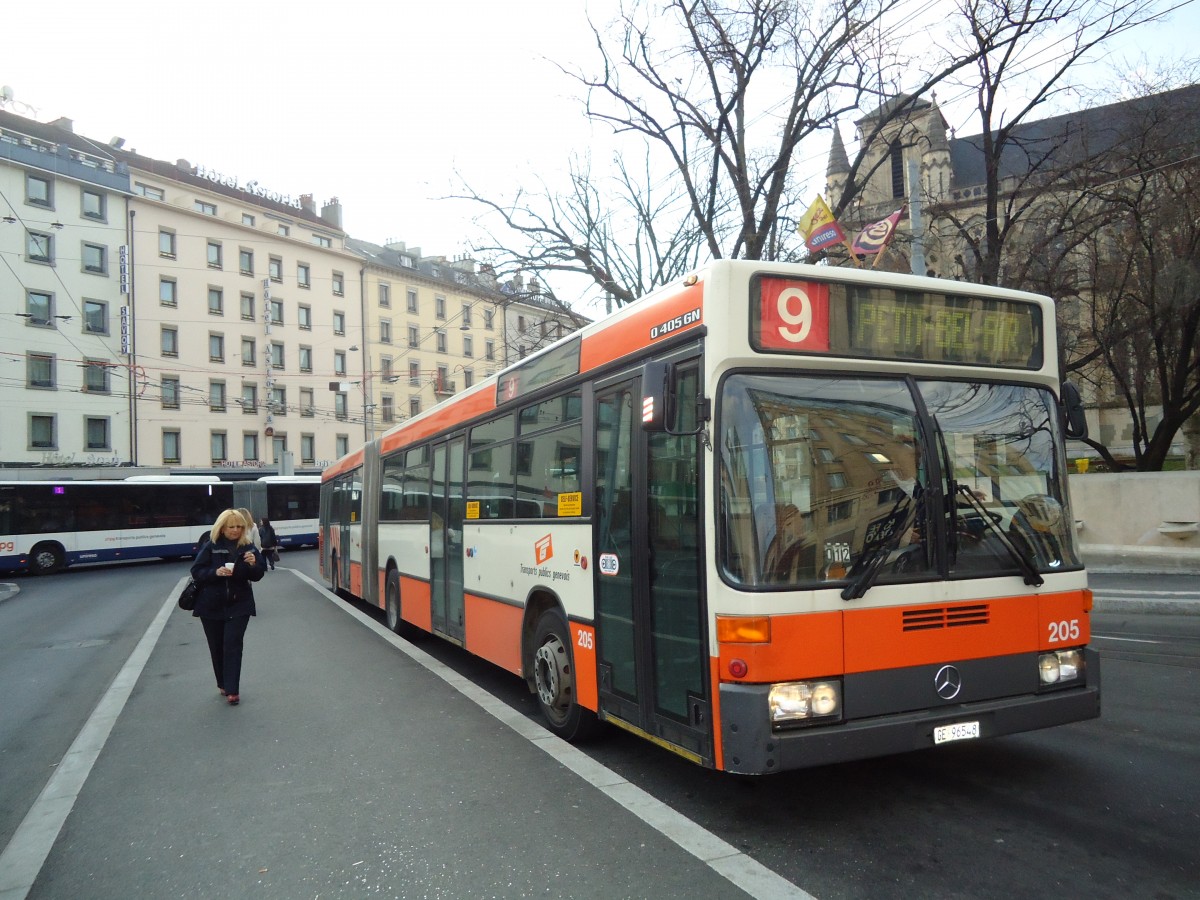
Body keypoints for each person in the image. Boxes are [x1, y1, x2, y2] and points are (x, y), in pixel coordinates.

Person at [190, 508, 266, 706]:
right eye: (232, 527)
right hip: (211, 605)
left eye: (240, 527)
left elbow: (258, 575)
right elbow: (197, 571)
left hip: (239, 604)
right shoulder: (211, 546)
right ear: (222, 528)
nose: (236, 530)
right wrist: (216, 572)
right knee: (217, 647)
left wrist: (253, 563)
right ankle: (222, 683)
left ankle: (233, 690)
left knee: (233, 644)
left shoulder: (248, 547)